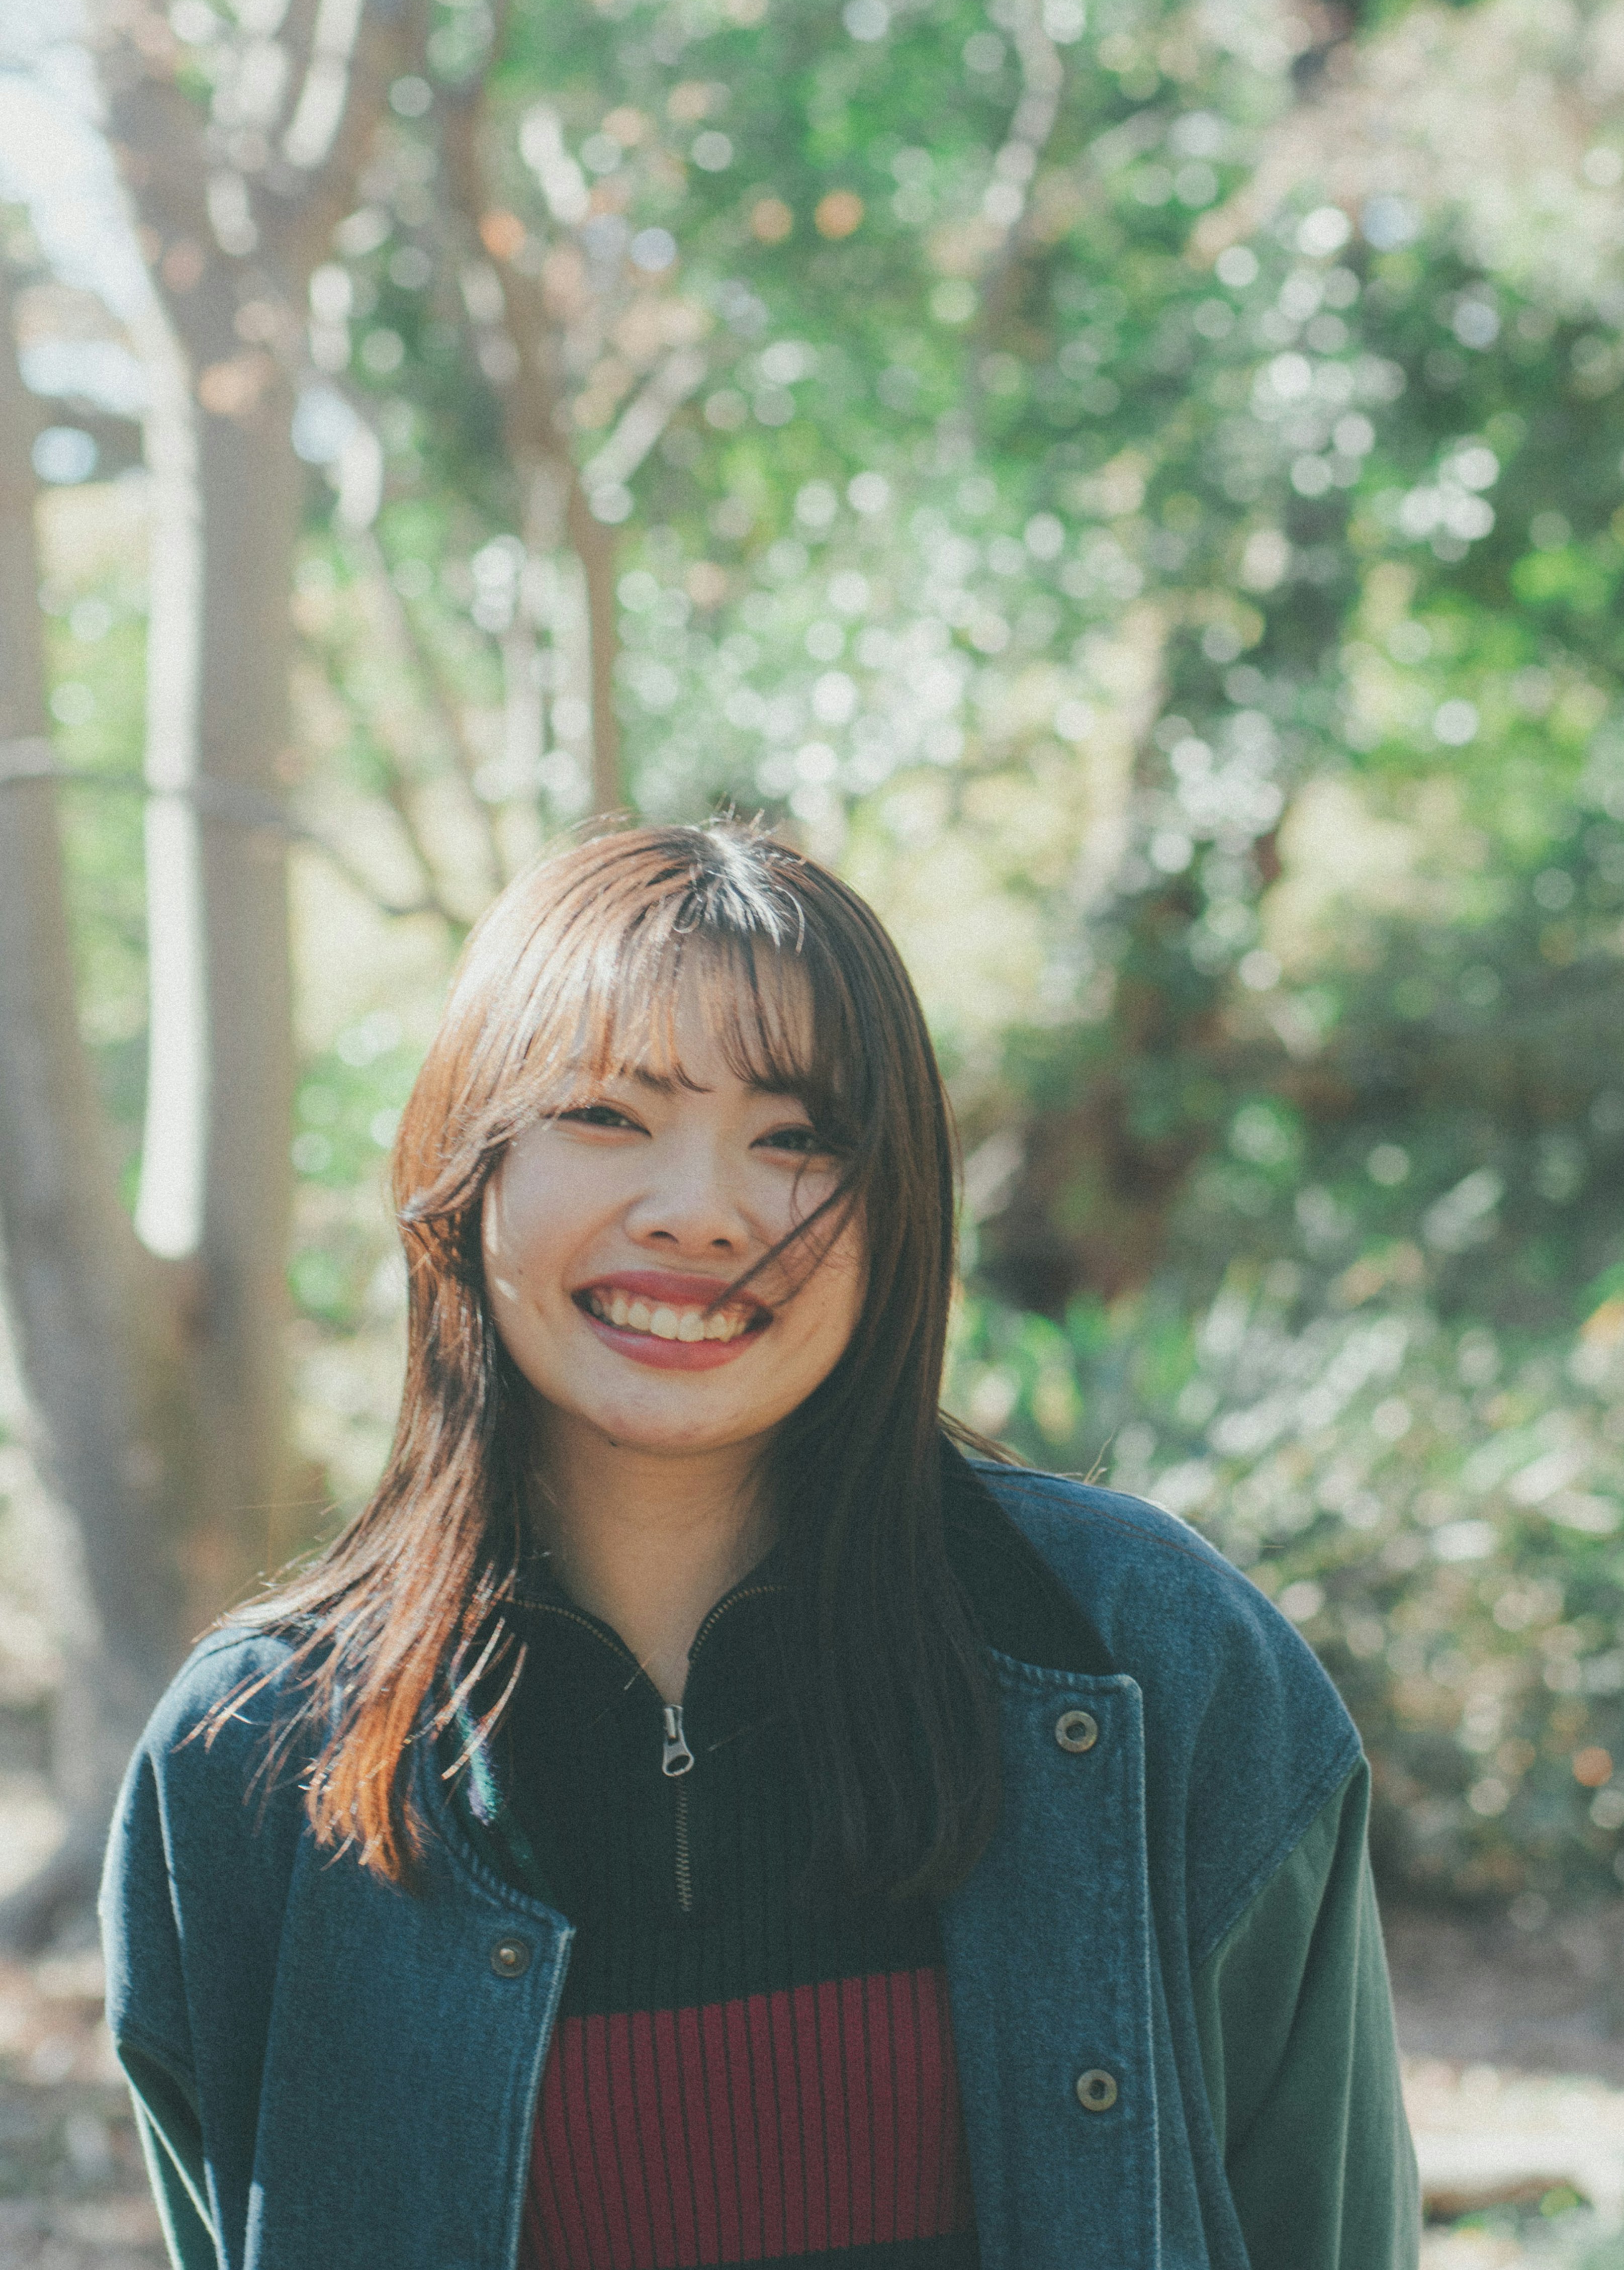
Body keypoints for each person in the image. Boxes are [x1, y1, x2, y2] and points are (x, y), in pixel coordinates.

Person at [103, 820, 1419, 2270]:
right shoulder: (245, 1763)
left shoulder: (1160, 1661)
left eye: (795, 1139)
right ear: (466, 1167)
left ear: (899, 1207)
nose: (700, 1213)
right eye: (607, 1115)